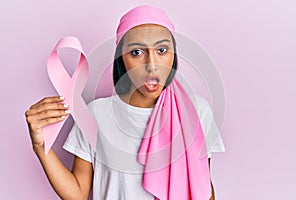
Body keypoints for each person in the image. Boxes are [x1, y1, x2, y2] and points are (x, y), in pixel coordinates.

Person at [25, 5, 225, 200]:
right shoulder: (96, 115)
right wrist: (41, 147)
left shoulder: (197, 111)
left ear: (174, 55)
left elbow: (201, 188)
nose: (152, 65)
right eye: (137, 52)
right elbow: (77, 192)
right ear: (122, 58)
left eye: (162, 50)